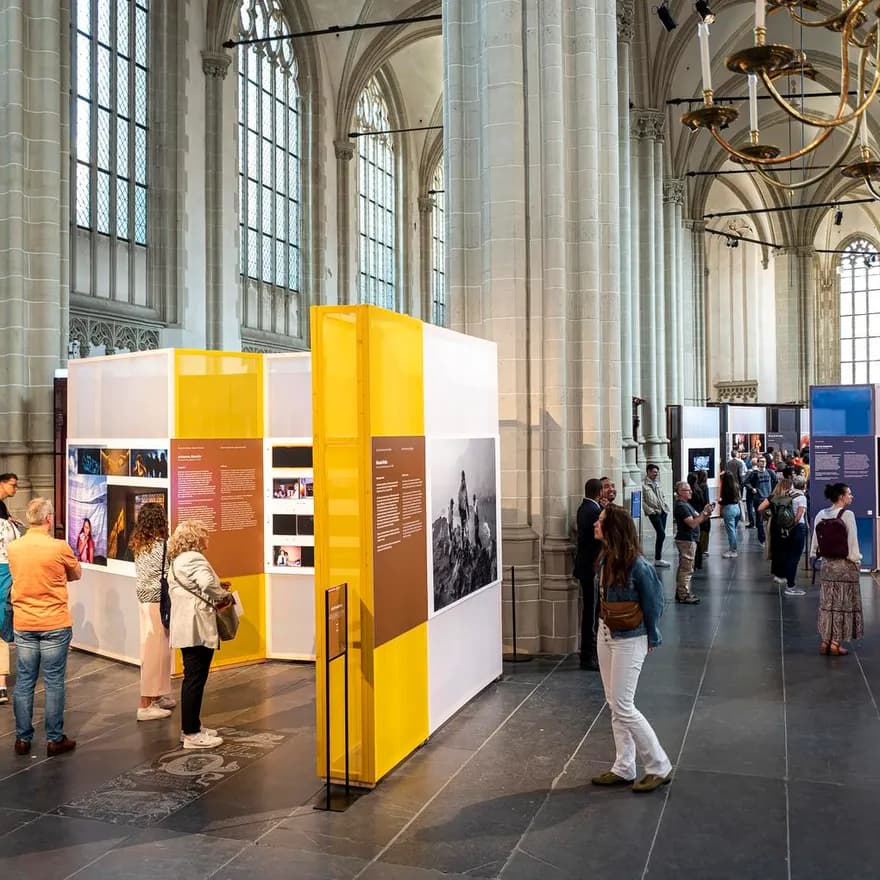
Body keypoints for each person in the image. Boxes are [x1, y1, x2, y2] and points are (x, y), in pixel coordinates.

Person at [590, 505, 672, 793]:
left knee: (624, 706)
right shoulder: (605, 560)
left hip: (630, 637)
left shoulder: (638, 566)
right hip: (606, 634)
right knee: (614, 703)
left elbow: (655, 603)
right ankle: (624, 767)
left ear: (613, 528)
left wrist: (652, 636)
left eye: (600, 522)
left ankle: (659, 765)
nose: (595, 525)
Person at [7, 498, 81, 756]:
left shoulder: (14, 547)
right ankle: (54, 738)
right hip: (54, 621)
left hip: (25, 621)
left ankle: (22, 739)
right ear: (49, 519)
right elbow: (76, 573)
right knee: (54, 681)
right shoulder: (58, 547)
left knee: (25, 681)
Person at [167, 519, 233, 749]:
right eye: (205, 534)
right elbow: (205, 584)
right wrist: (222, 596)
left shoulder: (177, 561)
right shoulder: (195, 559)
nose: (208, 539)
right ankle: (192, 734)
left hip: (184, 627)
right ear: (196, 537)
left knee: (192, 677)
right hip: (196, 627)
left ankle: (191, 726)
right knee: (195, 679)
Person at [129, 503, 175, 722]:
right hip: (157, 601)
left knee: (159, 649)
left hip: (144, 600)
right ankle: (145, 704)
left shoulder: (140, 544)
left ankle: (157, 695)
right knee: (154, 650)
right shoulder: (162, 545)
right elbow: (169, 572)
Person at [809, 483, 863, 656]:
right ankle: (835, 643)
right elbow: (852, 542)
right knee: (842, 605)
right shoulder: (847, 515)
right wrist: (856, 560)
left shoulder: (820, 515)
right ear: (841, 496)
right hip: (844, 566)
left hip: (827, 566)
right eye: (849, 493)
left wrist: (814, 557)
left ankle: (825, 641)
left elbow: (815, 543)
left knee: (828, 604)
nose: (851, 496)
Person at [574, 479, 604, 670]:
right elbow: (594, 540)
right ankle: (588, 656)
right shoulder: (592, 511)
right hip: (589, 567)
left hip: (587, 565)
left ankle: (591, 653)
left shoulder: (584, 507)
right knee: (591, 612)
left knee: (592, 610)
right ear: (599, 492)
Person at [759, 476, 807, 596]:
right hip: (797, 529)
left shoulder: (787, 495)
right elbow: (799, 515)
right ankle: (791, 585)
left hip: (784, 529)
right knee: (795, 557)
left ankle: (787, 581)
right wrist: (792, 526)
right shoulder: (801, 498)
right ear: (804, 486)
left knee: (787, 554)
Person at [673, 481, 712, 604]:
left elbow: (698, 518)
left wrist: (706, 512)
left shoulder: (686, 505)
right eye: (687, 490)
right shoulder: (681, 506)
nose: (690, 492)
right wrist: (704, 514)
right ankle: (683, 595)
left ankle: (681, 591)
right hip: (686, 540)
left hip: (690, 539)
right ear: (680, 492)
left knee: (685, 567)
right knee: (686, 569)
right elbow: (693, 523)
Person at [0, 511, 20, 704]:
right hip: (7, 571)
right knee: (2, 633)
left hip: (6, 572)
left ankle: (2, 686)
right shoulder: (9, 527)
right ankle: (1, 686)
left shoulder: (8, 525)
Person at [641, 464, 670, 568]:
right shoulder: (643, 484)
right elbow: (642, 500)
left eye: (657, 472)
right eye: (654, 472)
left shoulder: (658, 483)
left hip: (663, 511)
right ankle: (658, 558)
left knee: (661, 535)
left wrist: (665, 508)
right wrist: (650, 511)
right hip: (654, 512)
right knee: (661, 534)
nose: (656, 474)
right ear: (648, 472)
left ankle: (658, 558)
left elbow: (661, 496)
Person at [744, 456, 775, 545]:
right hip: (759, 499)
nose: (763, 463)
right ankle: (762, 539)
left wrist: (772, 492)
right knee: (760, 520)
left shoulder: (769, 472)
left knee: (770, 519)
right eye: (761, 461)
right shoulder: (754, 473)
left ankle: (770, 538)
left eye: (764, 461)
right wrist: (752, 489)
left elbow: (775, 481)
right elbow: (746, 482)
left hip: (768, 499)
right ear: (758, 463)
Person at [719, 471, 742, 558]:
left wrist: (719, 502)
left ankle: (733, 550)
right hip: (737, 508)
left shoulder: (726, 488)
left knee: (731, 531)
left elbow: (724, 501)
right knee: (734, 530)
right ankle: (733, 548)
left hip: (729, 509)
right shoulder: (736, 485)